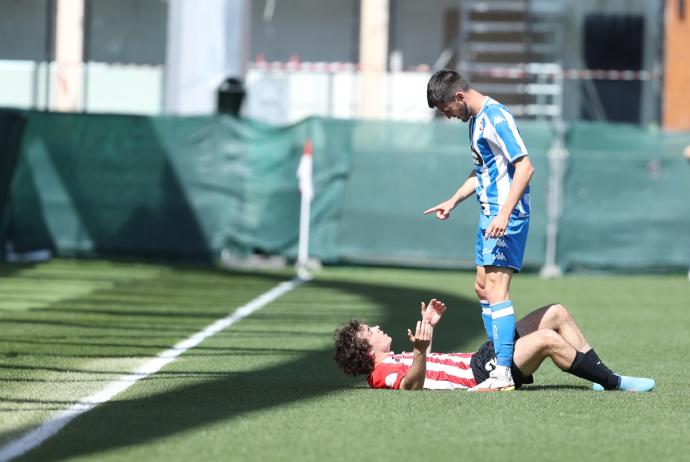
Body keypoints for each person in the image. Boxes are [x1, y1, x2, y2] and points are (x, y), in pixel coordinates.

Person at [423, 70, 535, 391]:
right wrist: (453, 199)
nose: (448, 116)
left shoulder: (497, 117)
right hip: (489, 216)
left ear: (459, 97)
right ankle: (500, 360)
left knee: (498, 289)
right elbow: (482, 171)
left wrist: (505, 212)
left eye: (447, 110)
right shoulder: (474, 121)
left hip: (505, 217)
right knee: (482, 287)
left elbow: (525, 167)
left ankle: (503, 371)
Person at [333, 299, 655, 393]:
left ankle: (601, 375)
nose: (375, 327)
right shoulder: (380, 373)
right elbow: (410, 386)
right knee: (546, 340)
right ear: (365, 349)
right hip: (481, 375)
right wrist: (419, 351)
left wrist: (428, 329)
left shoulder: (394, 357)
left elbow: (426, 370)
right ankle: (615, 383)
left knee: (555, 312)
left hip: (480, 358)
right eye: (368, 330)